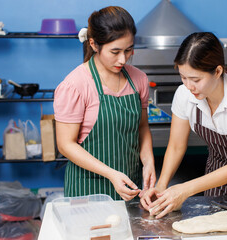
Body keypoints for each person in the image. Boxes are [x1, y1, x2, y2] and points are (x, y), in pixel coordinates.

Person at [140, 32, 227, 218]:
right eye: (183, 77)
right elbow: (176, 146)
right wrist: (161, 187)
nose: (189, 86)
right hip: (216, 175)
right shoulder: (184, 94)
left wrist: (185, 190)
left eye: (196, 80)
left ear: (217, 71)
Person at [54, 6, 156, 201]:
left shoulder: (139, 80)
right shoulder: (75, 85)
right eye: (115, 51)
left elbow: (142, 128)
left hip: (129, 187)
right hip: (88, 189)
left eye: (128, 50)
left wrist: (149, 162)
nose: (123, 59)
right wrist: (111, 174)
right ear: (93, 44)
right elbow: (65, 144)